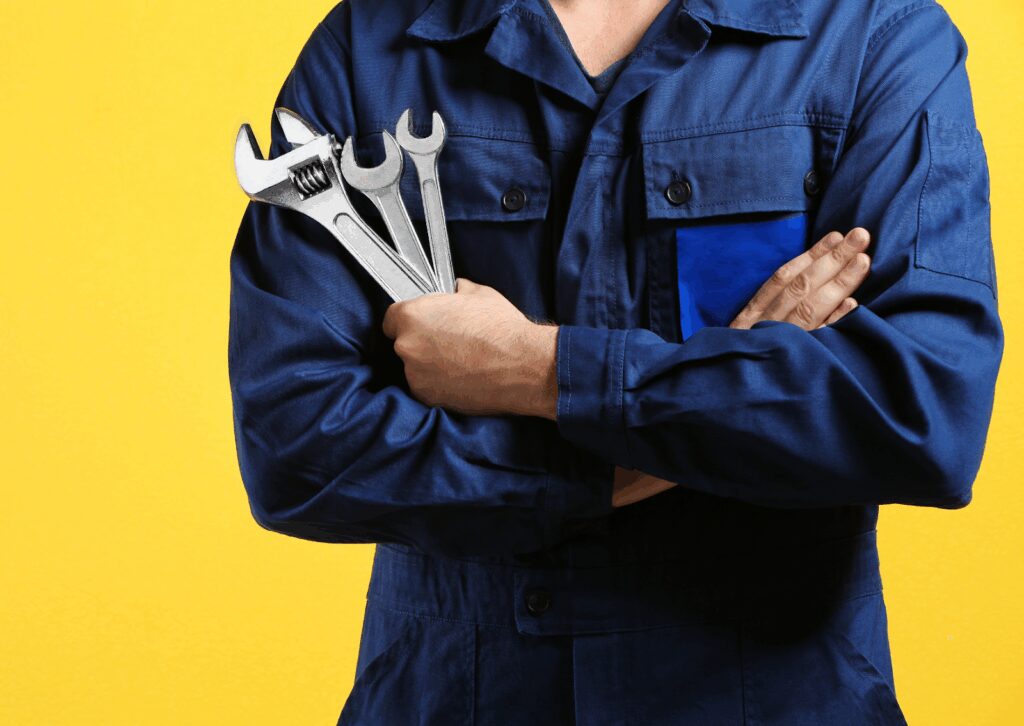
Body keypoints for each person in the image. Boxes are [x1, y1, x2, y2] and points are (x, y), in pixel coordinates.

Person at [227, 0, 1002, 722]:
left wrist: (536, 369)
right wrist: (700, 414)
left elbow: (924, 418)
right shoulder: (365, 51)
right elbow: (298, 448)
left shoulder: (872, 37)